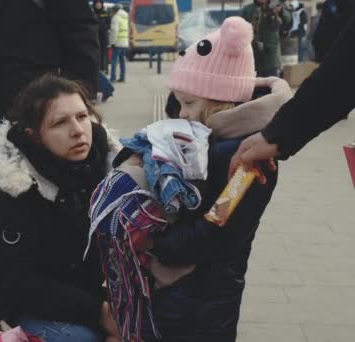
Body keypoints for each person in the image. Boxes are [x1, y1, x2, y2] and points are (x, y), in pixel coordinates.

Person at [92, 17, 287, 341]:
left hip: (205, 299)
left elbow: (216, 229)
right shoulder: (205, 138)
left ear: (222, 99)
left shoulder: (249, 161)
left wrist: (156, 243)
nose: (181, 113)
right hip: (184, 291)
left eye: (190, 104)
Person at [0, 0, 100, 314]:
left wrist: (71, 106)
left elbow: (83, 36)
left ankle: (47, 289)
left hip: (36, 115)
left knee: (39, 207)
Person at [0, 74, 121, 342]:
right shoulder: (14, 190)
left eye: (82, 117)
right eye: (60, 122)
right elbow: (19, 284)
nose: (78, 130)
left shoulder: (112, 169)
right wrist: (99, 313)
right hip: (24, 303)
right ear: (33, 135)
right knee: (78, 339)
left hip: (93, 293)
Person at [230, 0, 354, 174]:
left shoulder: (277, 9)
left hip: (271, 57)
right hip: (256, 57)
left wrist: (277, 133)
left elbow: (344, 70)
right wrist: (277, 133)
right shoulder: (249, 10)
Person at [241, 0, 291, 77]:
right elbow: (241, 29)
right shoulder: (247, 10)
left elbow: (288, 21)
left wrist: (280, 11)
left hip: (271, 58)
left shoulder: (274, 7)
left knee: (271, 84)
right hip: (253, 57)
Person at [109, 4, 129, 83]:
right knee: (122, 60)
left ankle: (113, 77)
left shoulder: (116, 18)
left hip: (118, 42)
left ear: (115, 10)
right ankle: (122, 77)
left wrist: (112, 42)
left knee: (114, 60)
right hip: (124, 42)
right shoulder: (125, 17)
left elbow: (114, 31)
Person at [93, 0, 111, 73]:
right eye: (97, 3)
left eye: (99, 3)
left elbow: (109, 24)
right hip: (95, 36)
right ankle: (97, 69)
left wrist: (103, 28)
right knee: (96, 53)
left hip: (103, 36)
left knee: (104, 53)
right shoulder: (92, 13)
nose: (98, 5)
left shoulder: (106, 13)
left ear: (102, 4)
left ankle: (105, 68)